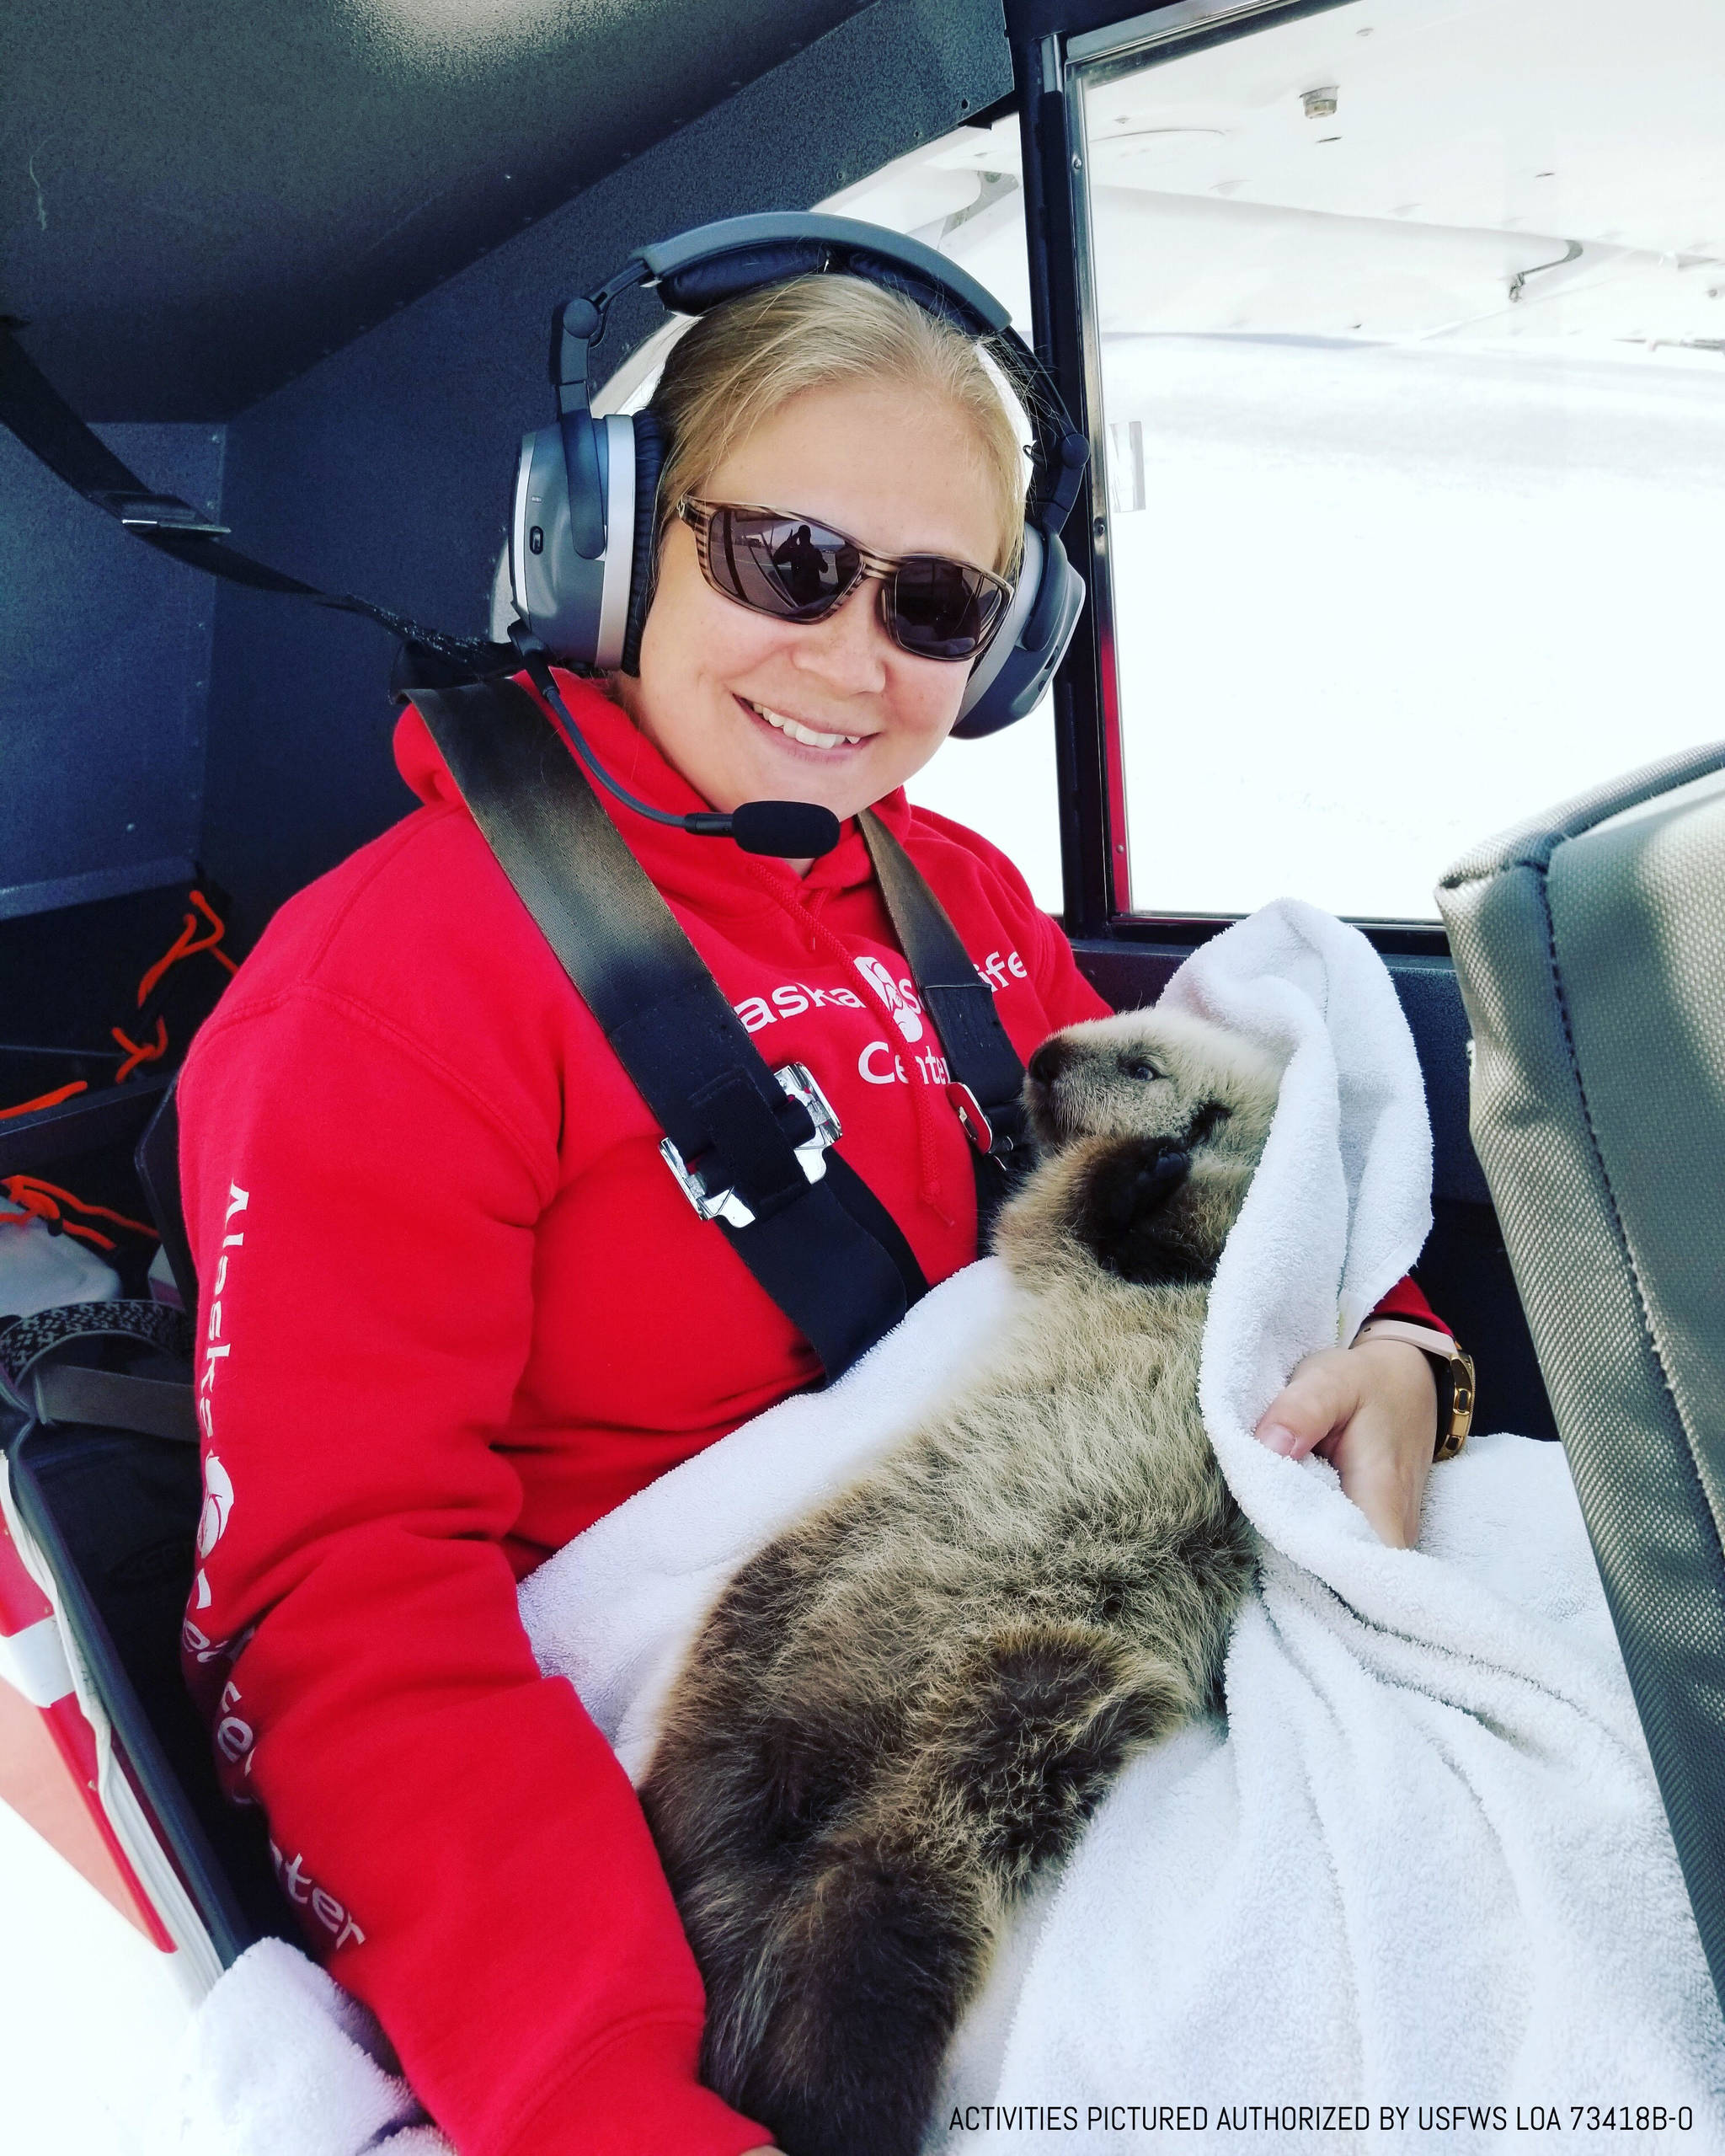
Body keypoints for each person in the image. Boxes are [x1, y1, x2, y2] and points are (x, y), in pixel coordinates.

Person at [176, 270, 1449, 2156]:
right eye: (787, 560)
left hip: (1087, 1584)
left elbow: (1188, 1202)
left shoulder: (963, 898)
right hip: (768, 1767)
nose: (855, 662)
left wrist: (1402, 1346)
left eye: (936, 603)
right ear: (609, 552)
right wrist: (595, 2087)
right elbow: (338, 1603)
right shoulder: (388, 981)